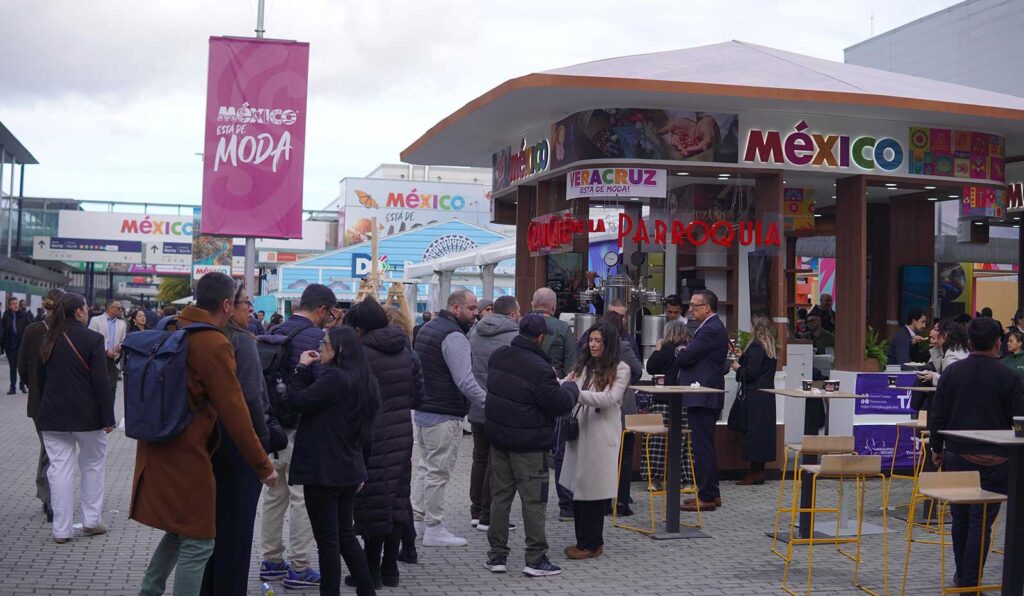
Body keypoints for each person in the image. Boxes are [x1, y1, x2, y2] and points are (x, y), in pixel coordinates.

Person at [134, 273, 278, 595]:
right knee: (198, 542)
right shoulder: (214, 343)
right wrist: (262, 465)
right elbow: (236, 412)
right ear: (226, 305)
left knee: (179, 532)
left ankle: (149, 591)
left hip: (157, 447)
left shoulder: (172, 327)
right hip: (190, 457)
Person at [929, 316, 1024, 590]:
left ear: (969, 342)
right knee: (981, 523)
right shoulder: (1010, 377)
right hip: (997, 459)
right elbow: (1019, 420)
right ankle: (970, 581)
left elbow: (938, 414)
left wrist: (937, 447)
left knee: (960, 519)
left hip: (958, 455)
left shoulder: (951, 373)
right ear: (998, 344)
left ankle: (963, 577)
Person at [287, 326, 381, 596]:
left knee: (328, 541)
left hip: (323, 471)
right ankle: (366, 590)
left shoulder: (335, 379)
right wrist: (362, 468)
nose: (321, 347)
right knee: (345, 536)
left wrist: (301, 368)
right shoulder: (364, 380)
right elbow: (367, 433)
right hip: (348, 469)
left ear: (338, 349)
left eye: (324, 343)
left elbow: (297, 400)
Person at [484, 313, 578, 576]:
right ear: (540, 338)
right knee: (533, 502)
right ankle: (535, 558)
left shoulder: (498, 356)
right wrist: (571, 388)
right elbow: (558, 404)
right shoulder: (539, 368)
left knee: (500, 499)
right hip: (528, 444)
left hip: (499, 440)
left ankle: (497, 556)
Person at [199, 283, 273, 596]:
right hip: (239, 445)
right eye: (247, 303)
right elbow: (252, 400)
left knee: (209, 532)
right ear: (228, 305)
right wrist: (263, 446)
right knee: (237, 535)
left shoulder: (196, 335)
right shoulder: (241, 342)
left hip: (204, 445)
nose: (251, 310)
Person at [260, 284, 336, 588]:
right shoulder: (317, 339)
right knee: (302, 499)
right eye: (330, 314)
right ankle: (300, 566)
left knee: (273, 496)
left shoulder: (273, 331)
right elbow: (321, 389)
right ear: (321, 310)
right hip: (303, 430)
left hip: (272, 429)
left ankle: (271, 561)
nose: (330, 320)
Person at [344, 298, 422, 589]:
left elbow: (350, 399)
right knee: (398, 502)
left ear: (360, 328)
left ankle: (371, 572)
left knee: (373, 503)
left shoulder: (360, 355)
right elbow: (419, 396)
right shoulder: (406, 351)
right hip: (402, 434)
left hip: (372, 437)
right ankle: (390, 569)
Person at [36, 292, 114, 544]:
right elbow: (101, 382)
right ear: (79, 312)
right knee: (92, 465)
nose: (88, 312)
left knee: (59, 469)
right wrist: (108, 417)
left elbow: (39, 380)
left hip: (52, 416)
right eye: (86, 308)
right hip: (87, 417)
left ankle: (61, 530)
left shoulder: (48, 338)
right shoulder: (93, 339)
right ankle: (91, 521)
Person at [411, 289, 485, 546]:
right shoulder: (454, 336)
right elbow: (465, 380)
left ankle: (417, 522)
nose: (476, 313)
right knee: (437, 473)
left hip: (424, 411)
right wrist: (490, 403)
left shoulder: (428, 328)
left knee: (426, 468)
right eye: (471, 308)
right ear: (455, 308)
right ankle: (434, 528)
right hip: (443, 414)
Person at [561, 322, 630, 559]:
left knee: (593, 491)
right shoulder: (584, 366)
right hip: (580, 432)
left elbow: (609, 398)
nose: (593, 344)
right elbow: (568, 384)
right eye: (591, 340)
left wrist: (574, 392)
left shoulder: (620, 369)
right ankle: (584, 541)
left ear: (608, 343)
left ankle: (590, 544)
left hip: (600, 436)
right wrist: (559, 383)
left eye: (598, 341)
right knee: (578, 489)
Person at [467, 295, 520, 531]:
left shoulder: (474, 333)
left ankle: (476, 511)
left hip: (477, 405)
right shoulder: (515, 336)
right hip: (501, 407)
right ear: (512, 314)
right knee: (495, 462)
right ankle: (488, 516)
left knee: (479, 458)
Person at [675, 289, 728, 512]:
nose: (690, 310)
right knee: (705, 445)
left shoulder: (710, 329)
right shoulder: (709, 327)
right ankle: (711, 493)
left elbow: (686, 356)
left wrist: (680, 351)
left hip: (703, 395)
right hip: (703, 394)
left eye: (694, 306)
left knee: (702, 447)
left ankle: (706, 496)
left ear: (707, 308)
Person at [17, 288, 65, 523]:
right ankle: (49, 497)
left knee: (48, 447)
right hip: (60, 401)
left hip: (38, 401)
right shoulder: (66, 332)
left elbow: (22, 366)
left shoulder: (31, 330)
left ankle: (45, 493)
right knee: (51, 449)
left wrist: (32, 385)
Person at [530, 287, 577, 520]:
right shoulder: (563, 329)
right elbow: (572, 366)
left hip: (528, 393)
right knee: (559, 450)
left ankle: (533, 502)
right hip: (555, 391)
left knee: (532, 449)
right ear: (554, 306)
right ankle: (566, 506)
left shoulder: (523, 325)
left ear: (532, 304)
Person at [644, 320, 693, 489]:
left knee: (658, 441)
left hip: (662, 399)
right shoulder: (689, 350)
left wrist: (657, 349)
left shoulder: (665, 349)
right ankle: (687, 480)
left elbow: (650, 368)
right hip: (685, 400)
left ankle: (656, 480)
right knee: (685, 441)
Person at [731, 314, 778, 486]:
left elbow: (750, 373)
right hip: (766, 395)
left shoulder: (756, 346)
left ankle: (754, 472)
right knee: (763, 433)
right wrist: (743, 356)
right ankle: (760, 470)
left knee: (753, 434)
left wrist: (738, 367)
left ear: (755, 327)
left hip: (754, 397)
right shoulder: (769, 346)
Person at [88, 300, 127, 402]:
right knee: (98, 387)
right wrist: (106, 350)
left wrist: (121, 346)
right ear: (111, 308)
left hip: (114, 360)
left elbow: (124, 339)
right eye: (119, 308)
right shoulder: (96, 320)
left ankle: (110, 410)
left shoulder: (122, 323)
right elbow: (91, 338)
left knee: (112, 388)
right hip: (99, 358)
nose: (121, 310)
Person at [917, 319, 969, 388]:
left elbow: (952, 381)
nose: (931, 332)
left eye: (935, 330)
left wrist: (933, 376)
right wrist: (936, 347)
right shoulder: (948, 349)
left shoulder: (953, 354)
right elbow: (939, 370)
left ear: (945, 335)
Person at [2, 296, 32, 394]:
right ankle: (12, 387)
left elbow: (29, 328)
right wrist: (3, 344)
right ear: (9, 306)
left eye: (16, 303)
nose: (16, 305)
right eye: (13, 304)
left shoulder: (24, 315)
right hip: (10, 346)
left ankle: (22, 385)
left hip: (21, 346)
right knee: (12, 368)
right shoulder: (6, 315)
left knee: (21, 367)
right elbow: (3, 330)